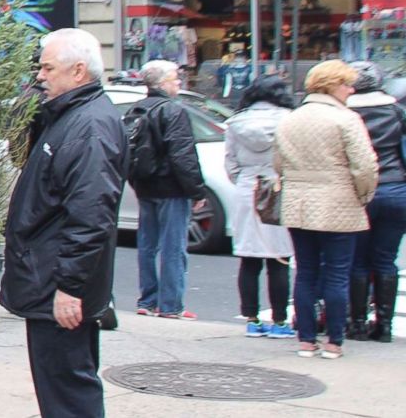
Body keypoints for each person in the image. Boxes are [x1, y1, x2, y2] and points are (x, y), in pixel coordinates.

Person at [1, 28, 126, 418]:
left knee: (68, 390)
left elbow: (90, 215)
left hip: (58, 285)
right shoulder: (71, 116)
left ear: (77, 72)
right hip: (51, 279)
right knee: (63, 386)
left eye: (47, 67)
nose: (40, 75)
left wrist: (70, 286)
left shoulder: (87, 126)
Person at [274, 60, 378, 359]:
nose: (351, 89)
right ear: (332, 85)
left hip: (299, 203)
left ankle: (306, 339)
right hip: (338, 201)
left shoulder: (290, 119)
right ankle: (334, 340)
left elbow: (278, 164)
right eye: (346, 84)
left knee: (305, 271)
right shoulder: (346, 119)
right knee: (336, 274)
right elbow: (365, 165)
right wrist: (364, 194)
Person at [128, 60, 206, 320]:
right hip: (171, 187)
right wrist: (196, 190)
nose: (178, 83)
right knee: (173, 246)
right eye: (174, 79)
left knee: (147, 244)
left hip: (145, 184)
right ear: (161, 83)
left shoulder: (136, 109)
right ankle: (171, 304)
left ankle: (147, 299)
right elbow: (183, 154)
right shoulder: (173, 111)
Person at [223, 75, 296, 338]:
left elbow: (230, 163)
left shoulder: (236, 122)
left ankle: (252, 319)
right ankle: (279, 321)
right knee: (279, 258)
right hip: (278, 186)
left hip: (247, 186)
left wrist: (244, 179)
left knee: (249, 258)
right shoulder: (289, 120)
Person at [345, 61, 406, 342]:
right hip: (395, 189)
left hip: (357, 191)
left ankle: (357, 324)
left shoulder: (344, 113)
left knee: (356, 260)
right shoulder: (396, 111)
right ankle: (384, 327)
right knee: (385, 260)